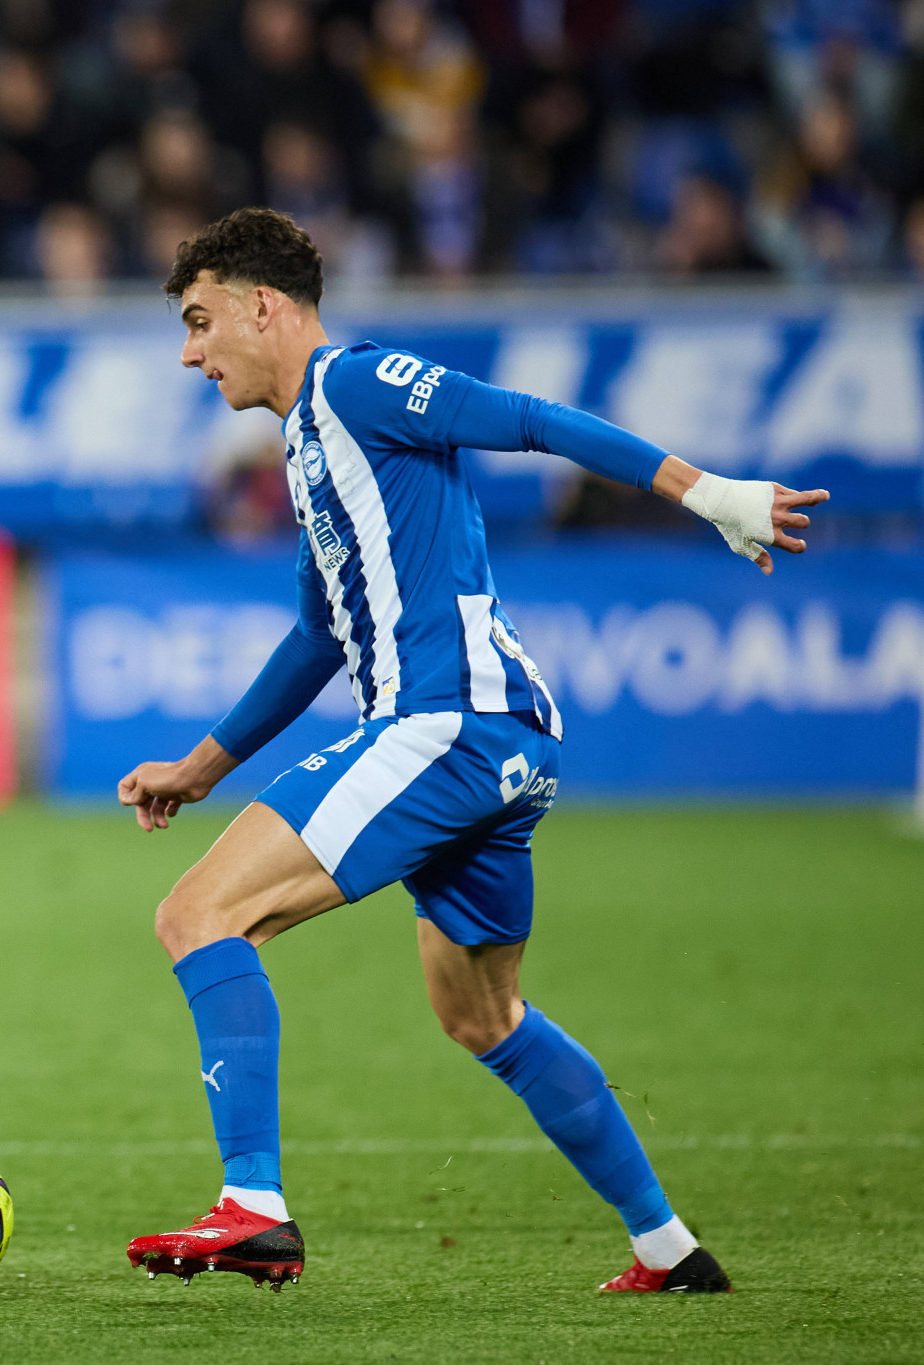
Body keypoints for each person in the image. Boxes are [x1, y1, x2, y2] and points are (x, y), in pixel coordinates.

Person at [118, 209, 829, 1294]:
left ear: (263, 306)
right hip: (499, 743)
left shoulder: (353, 383)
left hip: (443, 723)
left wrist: (710, 494)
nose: (189, 351)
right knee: (479, 1012)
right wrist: (201, 766)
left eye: (199, 320)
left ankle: (251, 1207)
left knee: (197, 915)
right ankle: (667, 1250)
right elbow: (321, 631)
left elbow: (527, 417)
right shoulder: (312, 439)